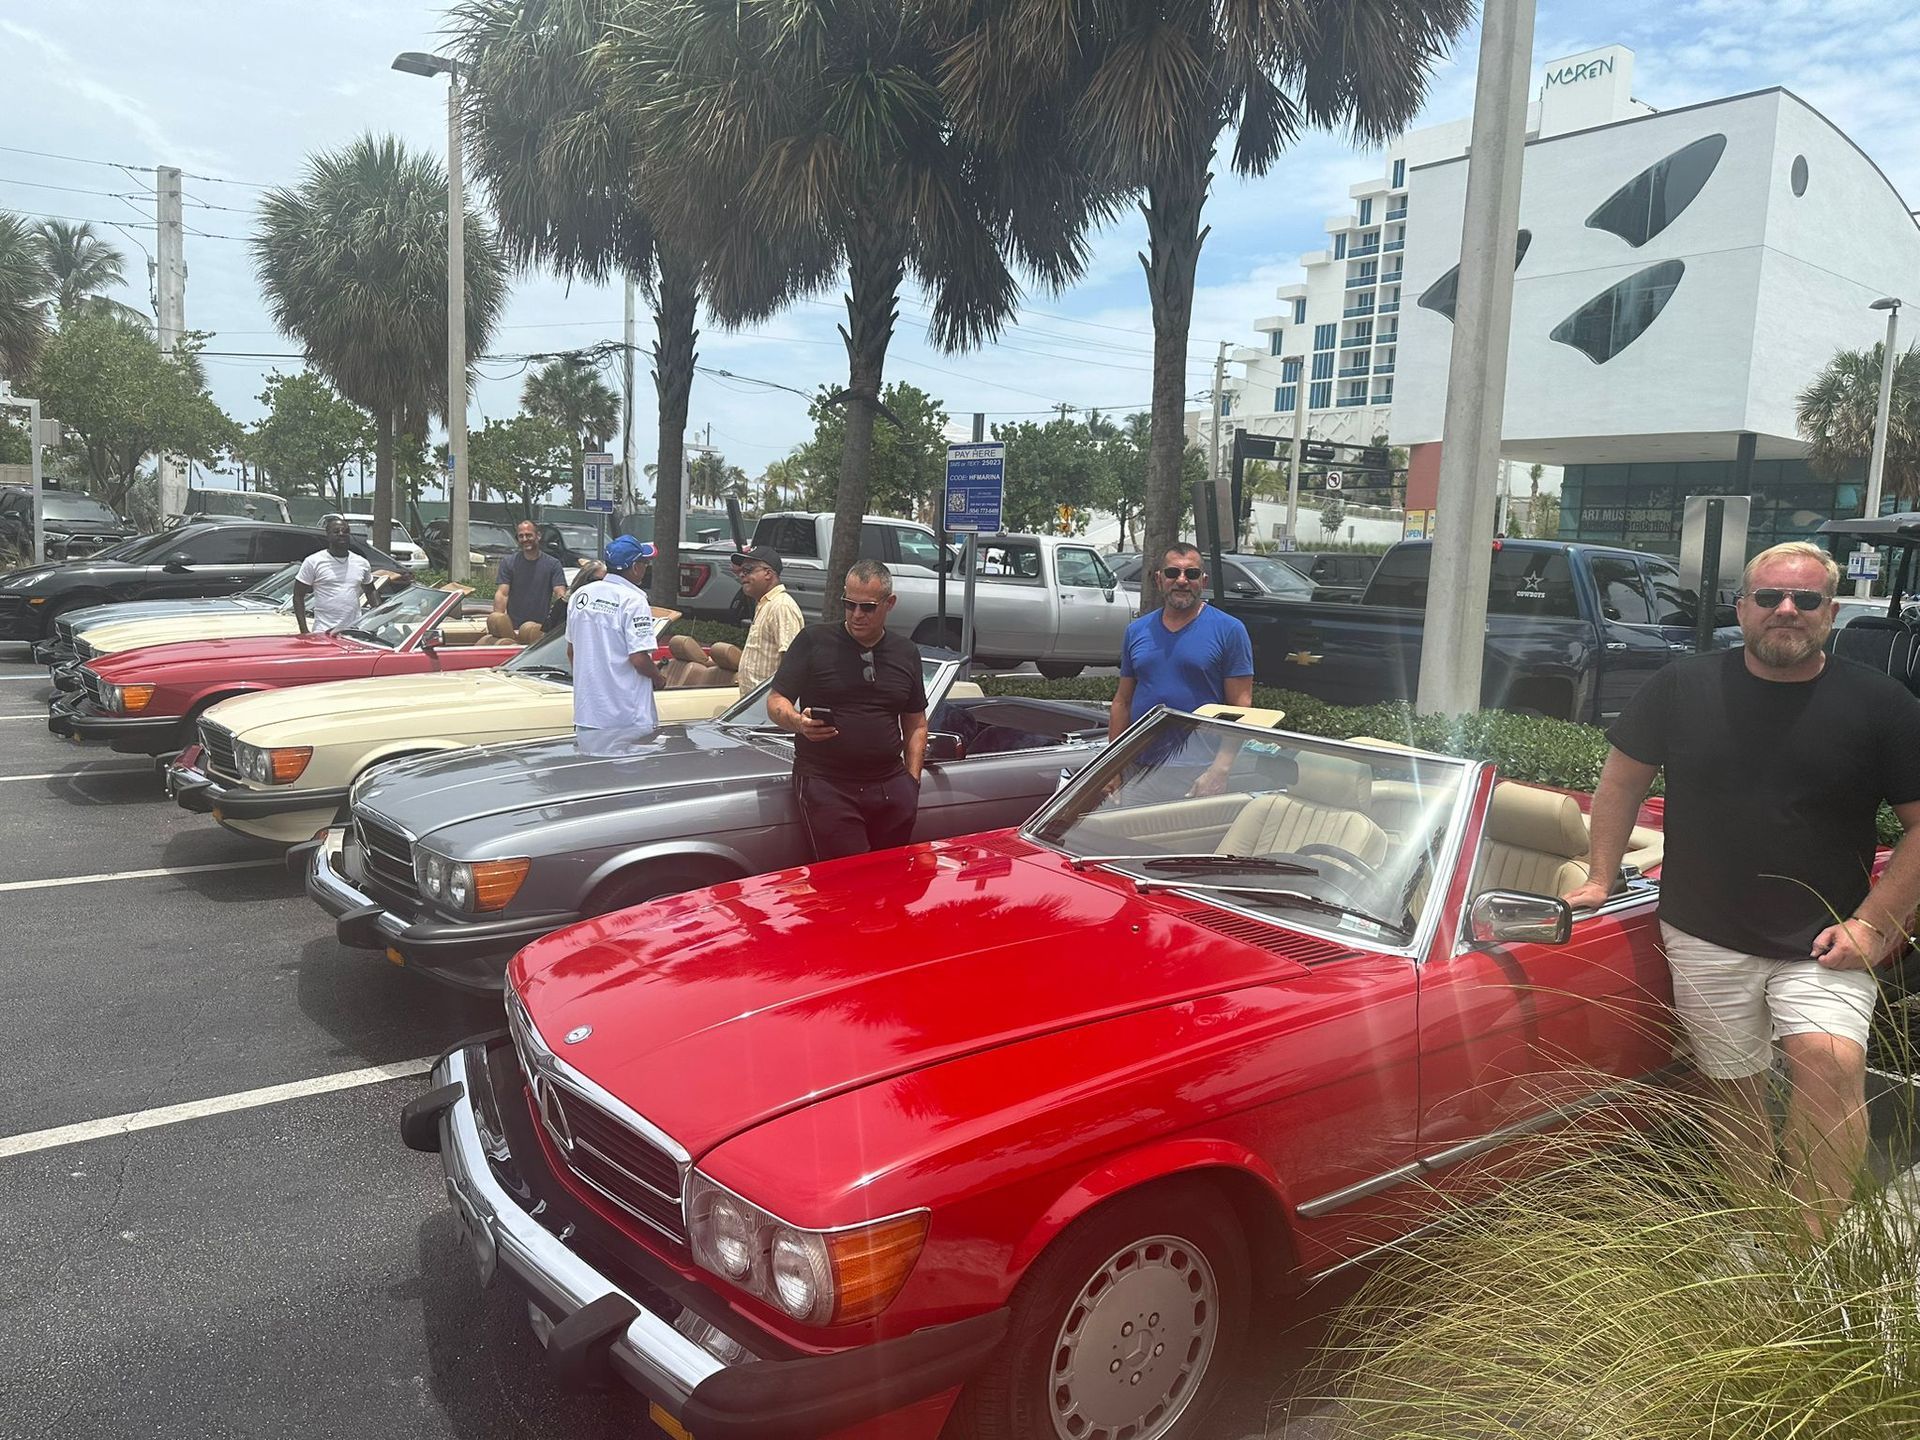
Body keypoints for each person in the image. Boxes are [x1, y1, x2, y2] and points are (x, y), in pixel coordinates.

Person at [1563, 541, 1920, 1237]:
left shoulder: (1883, 704)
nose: (1787, 610)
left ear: (1832, 612)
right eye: (1769, 598)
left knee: (1829, 1063)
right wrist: (1600, 876)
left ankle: (1809, 1247)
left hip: (1825, 938)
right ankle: (1755, 1223)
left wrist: (1875, 923)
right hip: (1702, 930)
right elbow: (1621, 782)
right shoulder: (1681, 686)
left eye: (1807, 599)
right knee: (1732, 1088)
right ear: (1742, 607)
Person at [768, 559, 928, 860]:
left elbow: (916, 722)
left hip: (891, 787)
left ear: (889, 603)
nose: (857, 615)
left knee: (890, 877)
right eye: (849, 604)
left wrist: (912, 781)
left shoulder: (905, 652)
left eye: (867, 607)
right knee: (847, 880)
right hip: (827, 783)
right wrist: (798, 722)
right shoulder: (813, 641)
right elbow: (776, 701)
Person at [1108, 542, 1255, 795]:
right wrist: (1111, 767)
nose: (1182, 580)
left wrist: (1220, 769)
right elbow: (1123, 702)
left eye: (1192, 574)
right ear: (1159, 579)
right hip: (1137, 767)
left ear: (1204, 580)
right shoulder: (1136, 631)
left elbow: (1241, 708)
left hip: (1197, 772)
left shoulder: (1230, 630)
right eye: (1173, 573)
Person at [567, 536, 665, 732]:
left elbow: (571, 651)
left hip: (587, 715)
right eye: (645, 563)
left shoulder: (581, 595)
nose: (646, 569)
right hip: (626, 718)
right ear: (635, 567)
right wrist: (658, 679)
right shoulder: (634, 600)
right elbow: (639, 659)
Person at [293, 514, 380, 635]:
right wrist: (304, 630)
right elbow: (298, 595)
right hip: (323, 631)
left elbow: (370, 591)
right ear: (327, 535)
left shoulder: (362, 563)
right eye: (336, 531)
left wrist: (377, 618)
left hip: (353, 632)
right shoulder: (313, 561)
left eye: (345, 531)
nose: (341, 534)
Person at [734, 549, 806, 695]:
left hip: (767, 707)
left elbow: (792, 663)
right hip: (752, 705)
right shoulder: (765, 604)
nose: (742, 574)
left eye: (748, 569)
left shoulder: (781, 606)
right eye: (741, 570)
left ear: (768, 573)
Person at [488, 520, 567, 643]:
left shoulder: (553, 564)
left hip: (540, 631)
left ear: (538, 536)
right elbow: (502, 594)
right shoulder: (508, 563)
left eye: (529, 535)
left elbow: (560, 595)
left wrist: (557, 625)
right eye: (521, 536)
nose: (525, 539)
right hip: (513, 630)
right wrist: (498, 621)